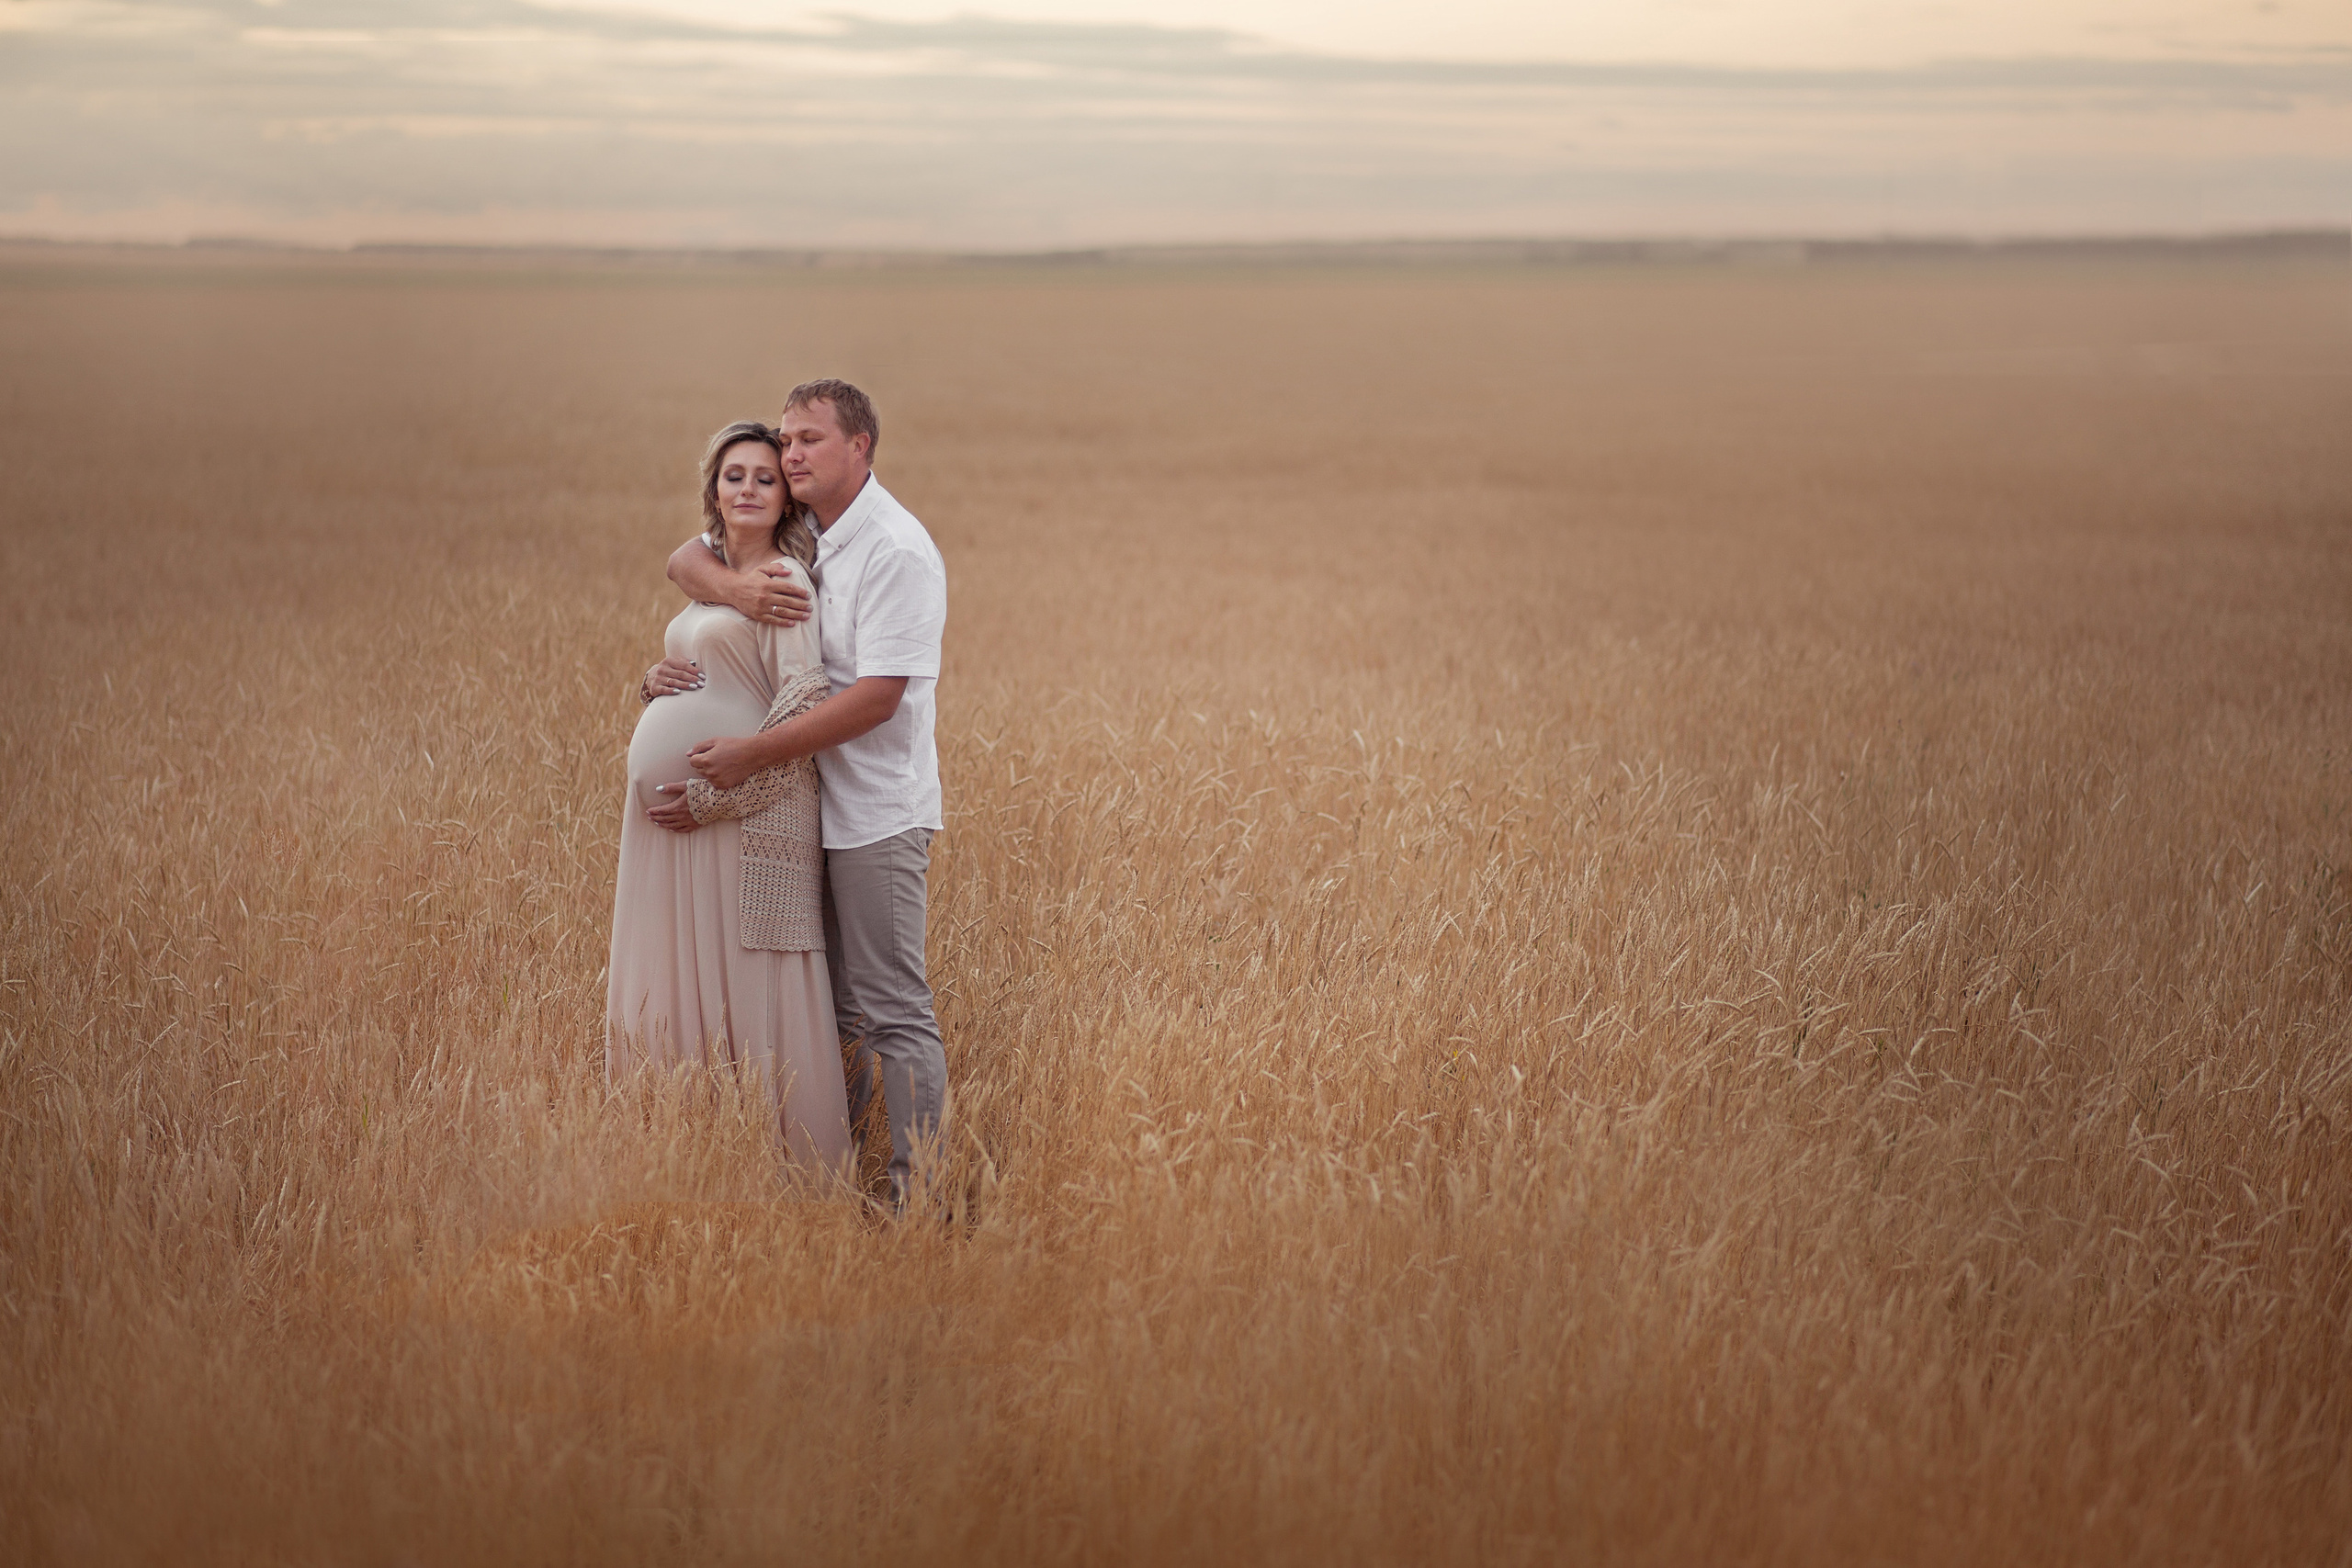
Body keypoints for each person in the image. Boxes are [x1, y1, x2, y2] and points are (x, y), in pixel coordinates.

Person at [670, 379, 950, 1213]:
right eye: (785, 440)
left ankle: (920, 1204)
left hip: (875, 815)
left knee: (891, 1009)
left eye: (808, 441)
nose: (789, 456)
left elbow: (876, 698)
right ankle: (840, 1180)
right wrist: (730, 593)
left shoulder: (894, 550)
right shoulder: (813, 536)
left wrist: (752, 757)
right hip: (806, 811)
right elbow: (690, 554)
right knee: (831, 1011)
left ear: (861, 446)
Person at [606, 420, 852, 1175]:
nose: (748, 488)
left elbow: (803, 716)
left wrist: (712, 799)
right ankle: (683, 1160)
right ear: (715, 488)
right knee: (675, 990)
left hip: (742, 819)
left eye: (765, 478)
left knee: (749, 992)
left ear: (785, 499)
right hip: (673, 826)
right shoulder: (710, 565)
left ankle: (779, 1173)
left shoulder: (784, 581)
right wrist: (653, 684)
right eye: (734, 475)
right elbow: (712, 667)